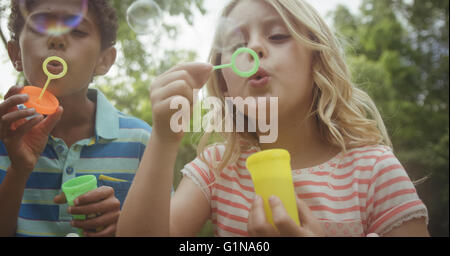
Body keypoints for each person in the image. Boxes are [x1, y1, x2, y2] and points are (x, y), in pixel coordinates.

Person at [117, 0, 429, 237]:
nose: (253, 47)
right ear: (224, 83)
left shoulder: (373, 170)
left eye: (278, 36)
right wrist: (163, 138)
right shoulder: (218, 168)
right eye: (237, 45)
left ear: (317, 61)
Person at [0, 0, 151, 237]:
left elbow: (163, 229)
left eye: (78, 31)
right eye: (41, 28)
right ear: (16, 53)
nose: (57, 40)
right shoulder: (4, 133)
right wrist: (18, 171)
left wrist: (126, 229)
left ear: (104, 60)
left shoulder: (141, 141)